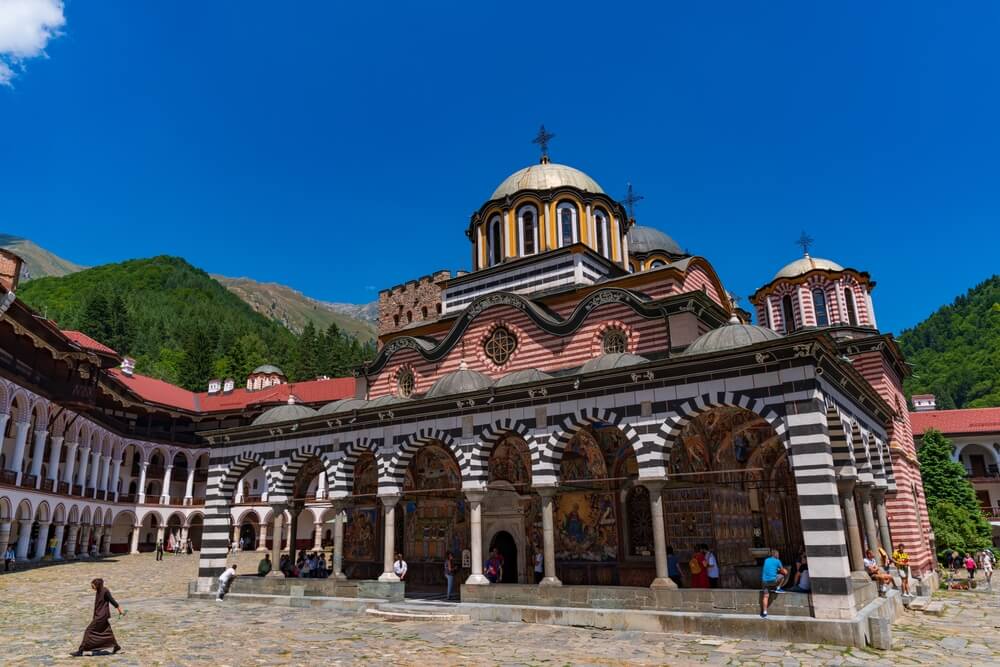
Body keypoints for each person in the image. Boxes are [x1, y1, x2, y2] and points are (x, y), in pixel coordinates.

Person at [70, 578, 124, 657]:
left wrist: (120, 610)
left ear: (98, 585)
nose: (92, 587)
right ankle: (116, 646)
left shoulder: (105, 591)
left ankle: (80, 651)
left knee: (89, 631)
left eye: (93, 586)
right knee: (107, 631)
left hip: (101, 616)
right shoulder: (99, 591)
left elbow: (112, 601)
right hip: (99, 615)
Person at [759, 549, 787, 619]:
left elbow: (769, 568)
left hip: (764, 581)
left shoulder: (766, 560)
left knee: (765, 596)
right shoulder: (778, 561)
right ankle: (778, 588)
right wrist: (782, 570)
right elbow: (784, 572)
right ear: (777, 555)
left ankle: (764, 612)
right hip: (773, 581)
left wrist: (776, 569)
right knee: (782, 576)